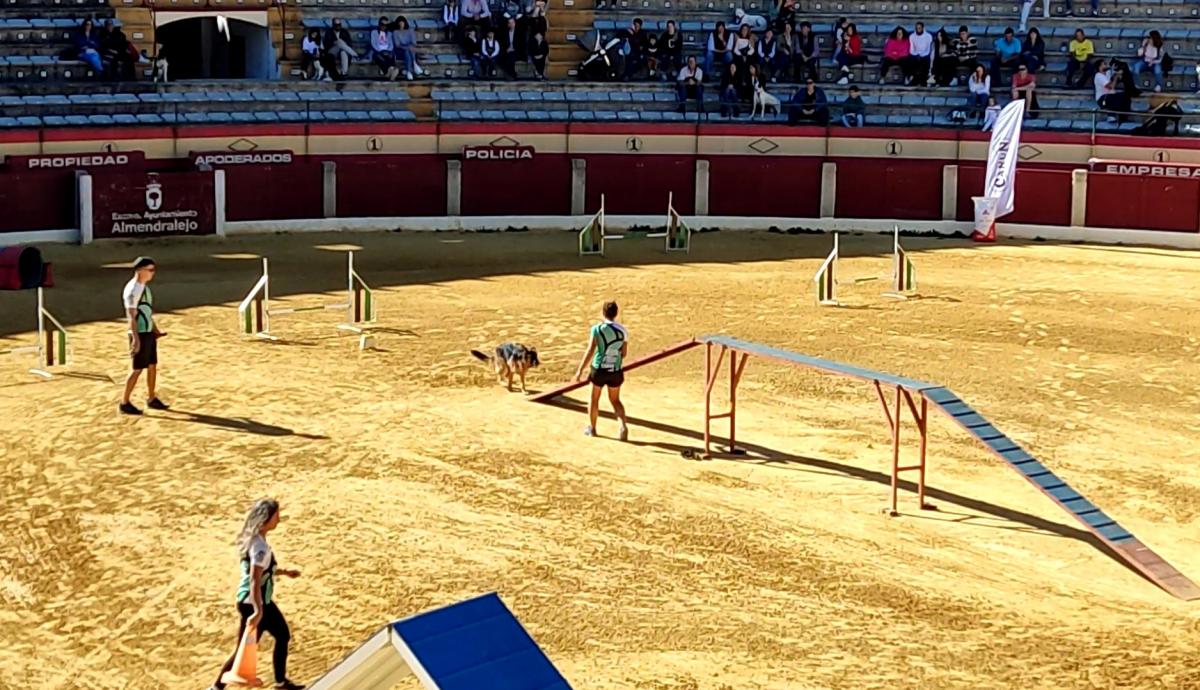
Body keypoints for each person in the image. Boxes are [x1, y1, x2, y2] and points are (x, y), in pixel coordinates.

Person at [207, 499, 304, 690]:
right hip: (256, 602)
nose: (279, 519)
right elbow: (254, 578)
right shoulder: (259, 546)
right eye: (276, 516)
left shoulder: (254, 541)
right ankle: (278, 682)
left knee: (272, 638)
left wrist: (284, 572)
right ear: (266, 520)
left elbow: (262, 571)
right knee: (270, 639)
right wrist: (258, 610)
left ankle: (218, 688)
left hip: (253, 601)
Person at [573, 301, 629, 441]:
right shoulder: (623, 331)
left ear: (603, 313)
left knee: (594, 399)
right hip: (615, 370)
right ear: (616, 313)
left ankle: (592, 428)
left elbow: (590, 350)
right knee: (615, 400)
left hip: (599, 369)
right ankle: (622, 426)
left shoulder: (597, 329)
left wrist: (580, 370)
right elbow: (624, 353)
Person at [120, 257, 168, 415]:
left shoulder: (144, 288)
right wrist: (135, 338)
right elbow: (131, 316)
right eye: (150, 270)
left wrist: (155, 330)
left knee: (152, 365)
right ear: (140, 270)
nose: (153, 273)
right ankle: (124, 402)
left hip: (147, 332)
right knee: (137, 369)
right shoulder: (133, 290)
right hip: (139, 333)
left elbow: (146, 312)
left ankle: (151, 398)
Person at [908, 21, 932, 86]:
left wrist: (922, 55)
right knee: (912, 60)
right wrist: (916, 54)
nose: (918, 29)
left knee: (925, 61)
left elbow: (928, 49)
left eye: (919, 28)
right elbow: (911, 49)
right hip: (915, 54)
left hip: (925, 54)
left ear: (922, 28)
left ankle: (923, 80)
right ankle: (914, 79)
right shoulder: (912, 36)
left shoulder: (928, 36)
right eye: (917, 28)